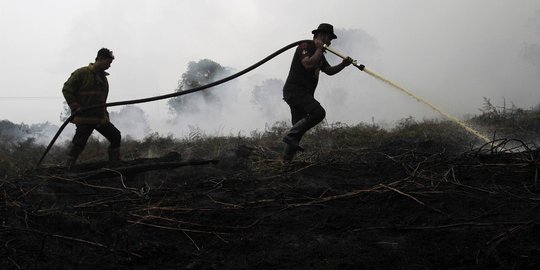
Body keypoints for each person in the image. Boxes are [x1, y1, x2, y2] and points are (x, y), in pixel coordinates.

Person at [281, 23, 353, 161]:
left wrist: (343, 65)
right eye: (329, 38)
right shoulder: (305, 47)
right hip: (295, 91)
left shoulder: (319, 52)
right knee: (318, 112)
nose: (330, 42)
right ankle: (290, 137)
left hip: (304, 94)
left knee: (297, 130)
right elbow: (308, 64)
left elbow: (329, 71)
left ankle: (285, 162)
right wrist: (319, 49)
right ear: (321, 35)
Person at [62, 48, 122, 168]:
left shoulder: (104, 80)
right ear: (100, 59)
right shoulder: (81, 73)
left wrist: (105, 117)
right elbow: (67, 90)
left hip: (99, 118)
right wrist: (76, 107)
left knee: (116, 136)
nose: (110, 66)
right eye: (108, 62)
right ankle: (67, 168)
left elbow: (102, 101)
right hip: (84, 118)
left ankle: (115, 164)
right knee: (79, 143)